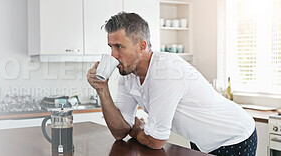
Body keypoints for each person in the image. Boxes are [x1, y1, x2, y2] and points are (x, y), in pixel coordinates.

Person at [87, 12, 257, 156]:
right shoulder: (128, 76)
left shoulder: (166, 71)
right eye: (111, 47)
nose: (113, 55)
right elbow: (120, 131)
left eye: (119, 47)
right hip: (202, 141)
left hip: (235, 136)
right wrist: (103, 90)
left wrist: (138, 129)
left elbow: (156, 140)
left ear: (142, 46)